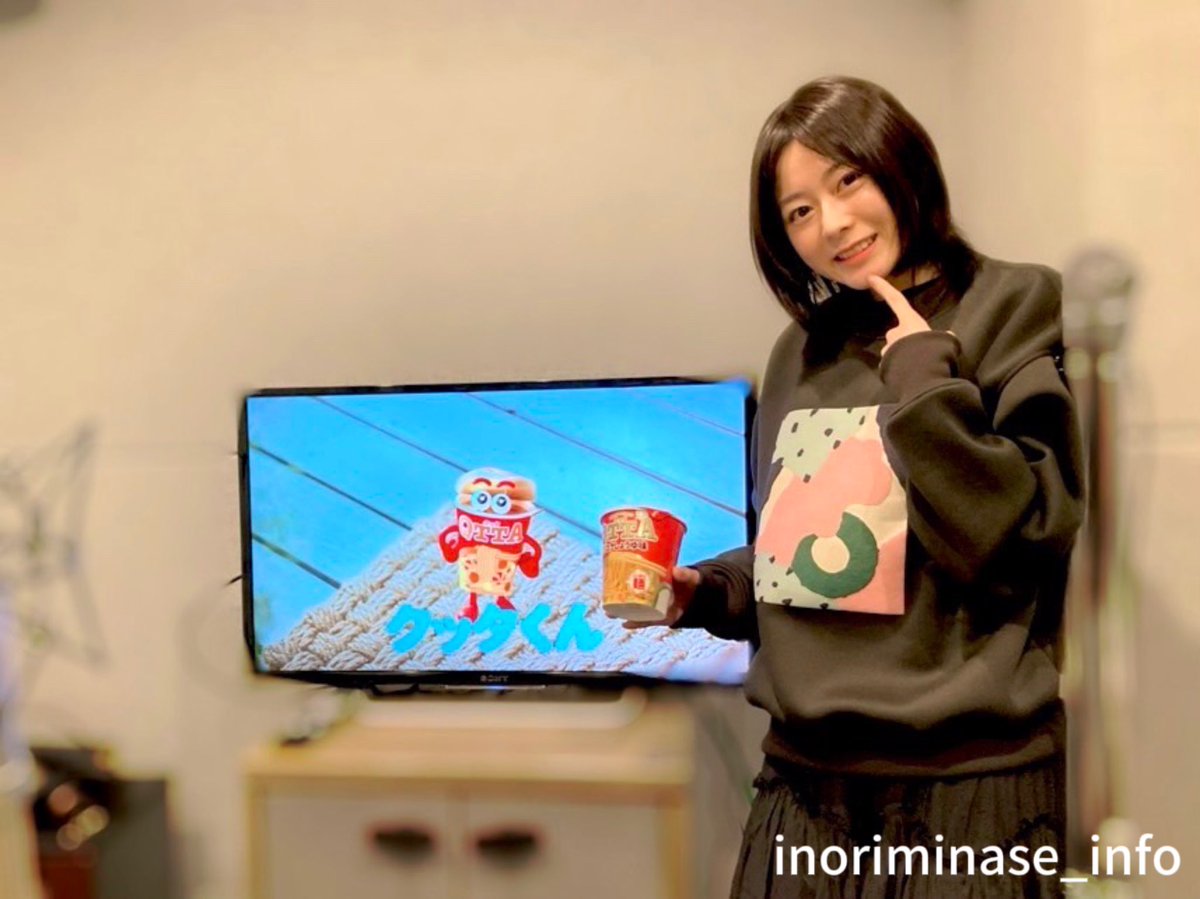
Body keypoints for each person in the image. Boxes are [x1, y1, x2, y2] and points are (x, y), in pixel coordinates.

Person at [630, 76, 1084, 897]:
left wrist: (925, 383)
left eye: (848, 180)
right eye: (799, 210)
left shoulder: (1012, 302)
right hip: (802, 782)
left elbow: (1014, 545)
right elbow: (808, 551)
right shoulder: (799, 350)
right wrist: (709, 590)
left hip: (969, 784)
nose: (832, 223)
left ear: (901, 164)